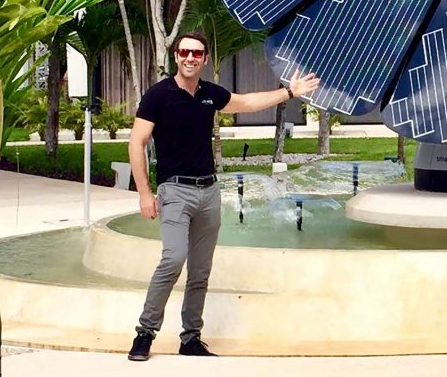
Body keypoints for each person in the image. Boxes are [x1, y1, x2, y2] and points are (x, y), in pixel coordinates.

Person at [126, 31, 320, 361]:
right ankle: (145, 333)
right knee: (173, 258)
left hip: (208, 191)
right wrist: (144, 193)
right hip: (174, 189)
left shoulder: (210, 94)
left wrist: (289, 92)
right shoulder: (158, 95)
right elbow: (136, 142)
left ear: (204, 60)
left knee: (200, 270)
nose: (190, 57)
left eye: (197, 53)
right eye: (184, 52)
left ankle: (191, 339)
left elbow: (246, 102)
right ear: (176, 56)